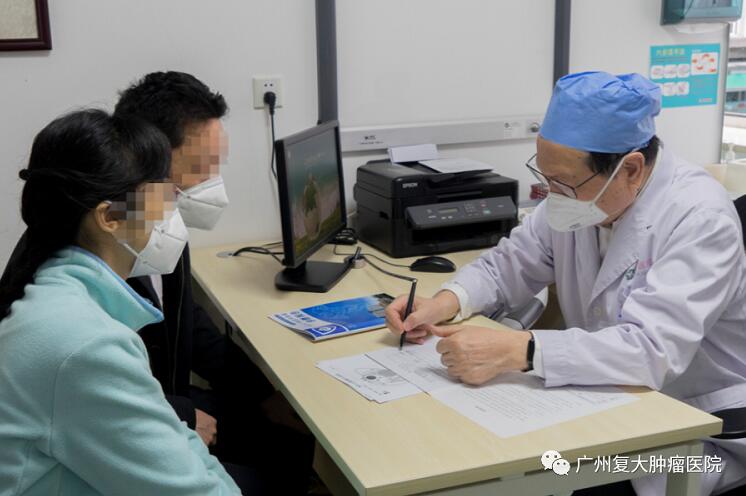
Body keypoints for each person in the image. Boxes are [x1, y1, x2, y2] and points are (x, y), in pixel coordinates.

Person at [385, 71, 746, 496]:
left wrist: (520, 350)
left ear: (630, 168)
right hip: (614, 400)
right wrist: (446, 301)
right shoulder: (586, 197)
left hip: (698, 427)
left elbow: (651, 350)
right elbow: (510, 263)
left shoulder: (700, 219)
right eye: (546, 177)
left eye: (563, 182)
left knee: (548, 479)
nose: (551, 193)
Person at [0, 109, 244, 495]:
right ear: (109, 218)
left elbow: (171, 438)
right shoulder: (85, 345)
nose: (170, 211)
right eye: (162, 194)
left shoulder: (63, 296)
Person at [113, 71, 313, 492]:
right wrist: (181, 416)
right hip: (131, 425)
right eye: (202, 168)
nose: (212, 183)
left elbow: (189, 324)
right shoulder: (105, 246)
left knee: (293, 440)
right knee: (265, 480)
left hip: (167, 401)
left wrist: (264, 395)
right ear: (148, 159)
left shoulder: (163, 223)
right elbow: (99, 384)